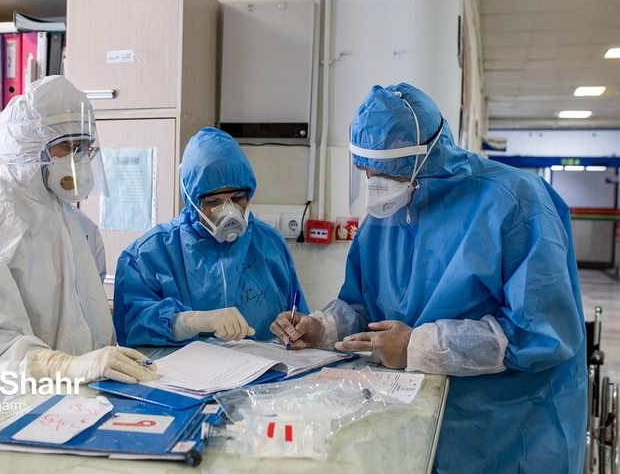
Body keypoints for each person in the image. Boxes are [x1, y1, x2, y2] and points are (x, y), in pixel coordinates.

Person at [272, 83, 587, 473]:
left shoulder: (514, 201)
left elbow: (540, 332)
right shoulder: (386, 214)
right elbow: (363, 304)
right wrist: (323, 327)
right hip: (407, 413)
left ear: (425, 157)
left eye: (384, 169)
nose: (372, 180)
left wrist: (417, 346)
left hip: (502, 429)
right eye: (363, 170)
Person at [0, 76, 158, 429]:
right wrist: (63, 366)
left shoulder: (77, 224)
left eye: (85, 145)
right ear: (30, 146)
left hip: (71, 409)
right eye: (67, 145)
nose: (79, 156)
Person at [113, 127, 308, 346]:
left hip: (265, 374)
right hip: (182, 376)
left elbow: (297, 315)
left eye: (237, 198)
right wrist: (187, 322)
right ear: (190, 198)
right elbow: (131, 325)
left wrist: (297, 329)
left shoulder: (270, 243)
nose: (229, 212)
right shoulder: (148, 254)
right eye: (213, 202)